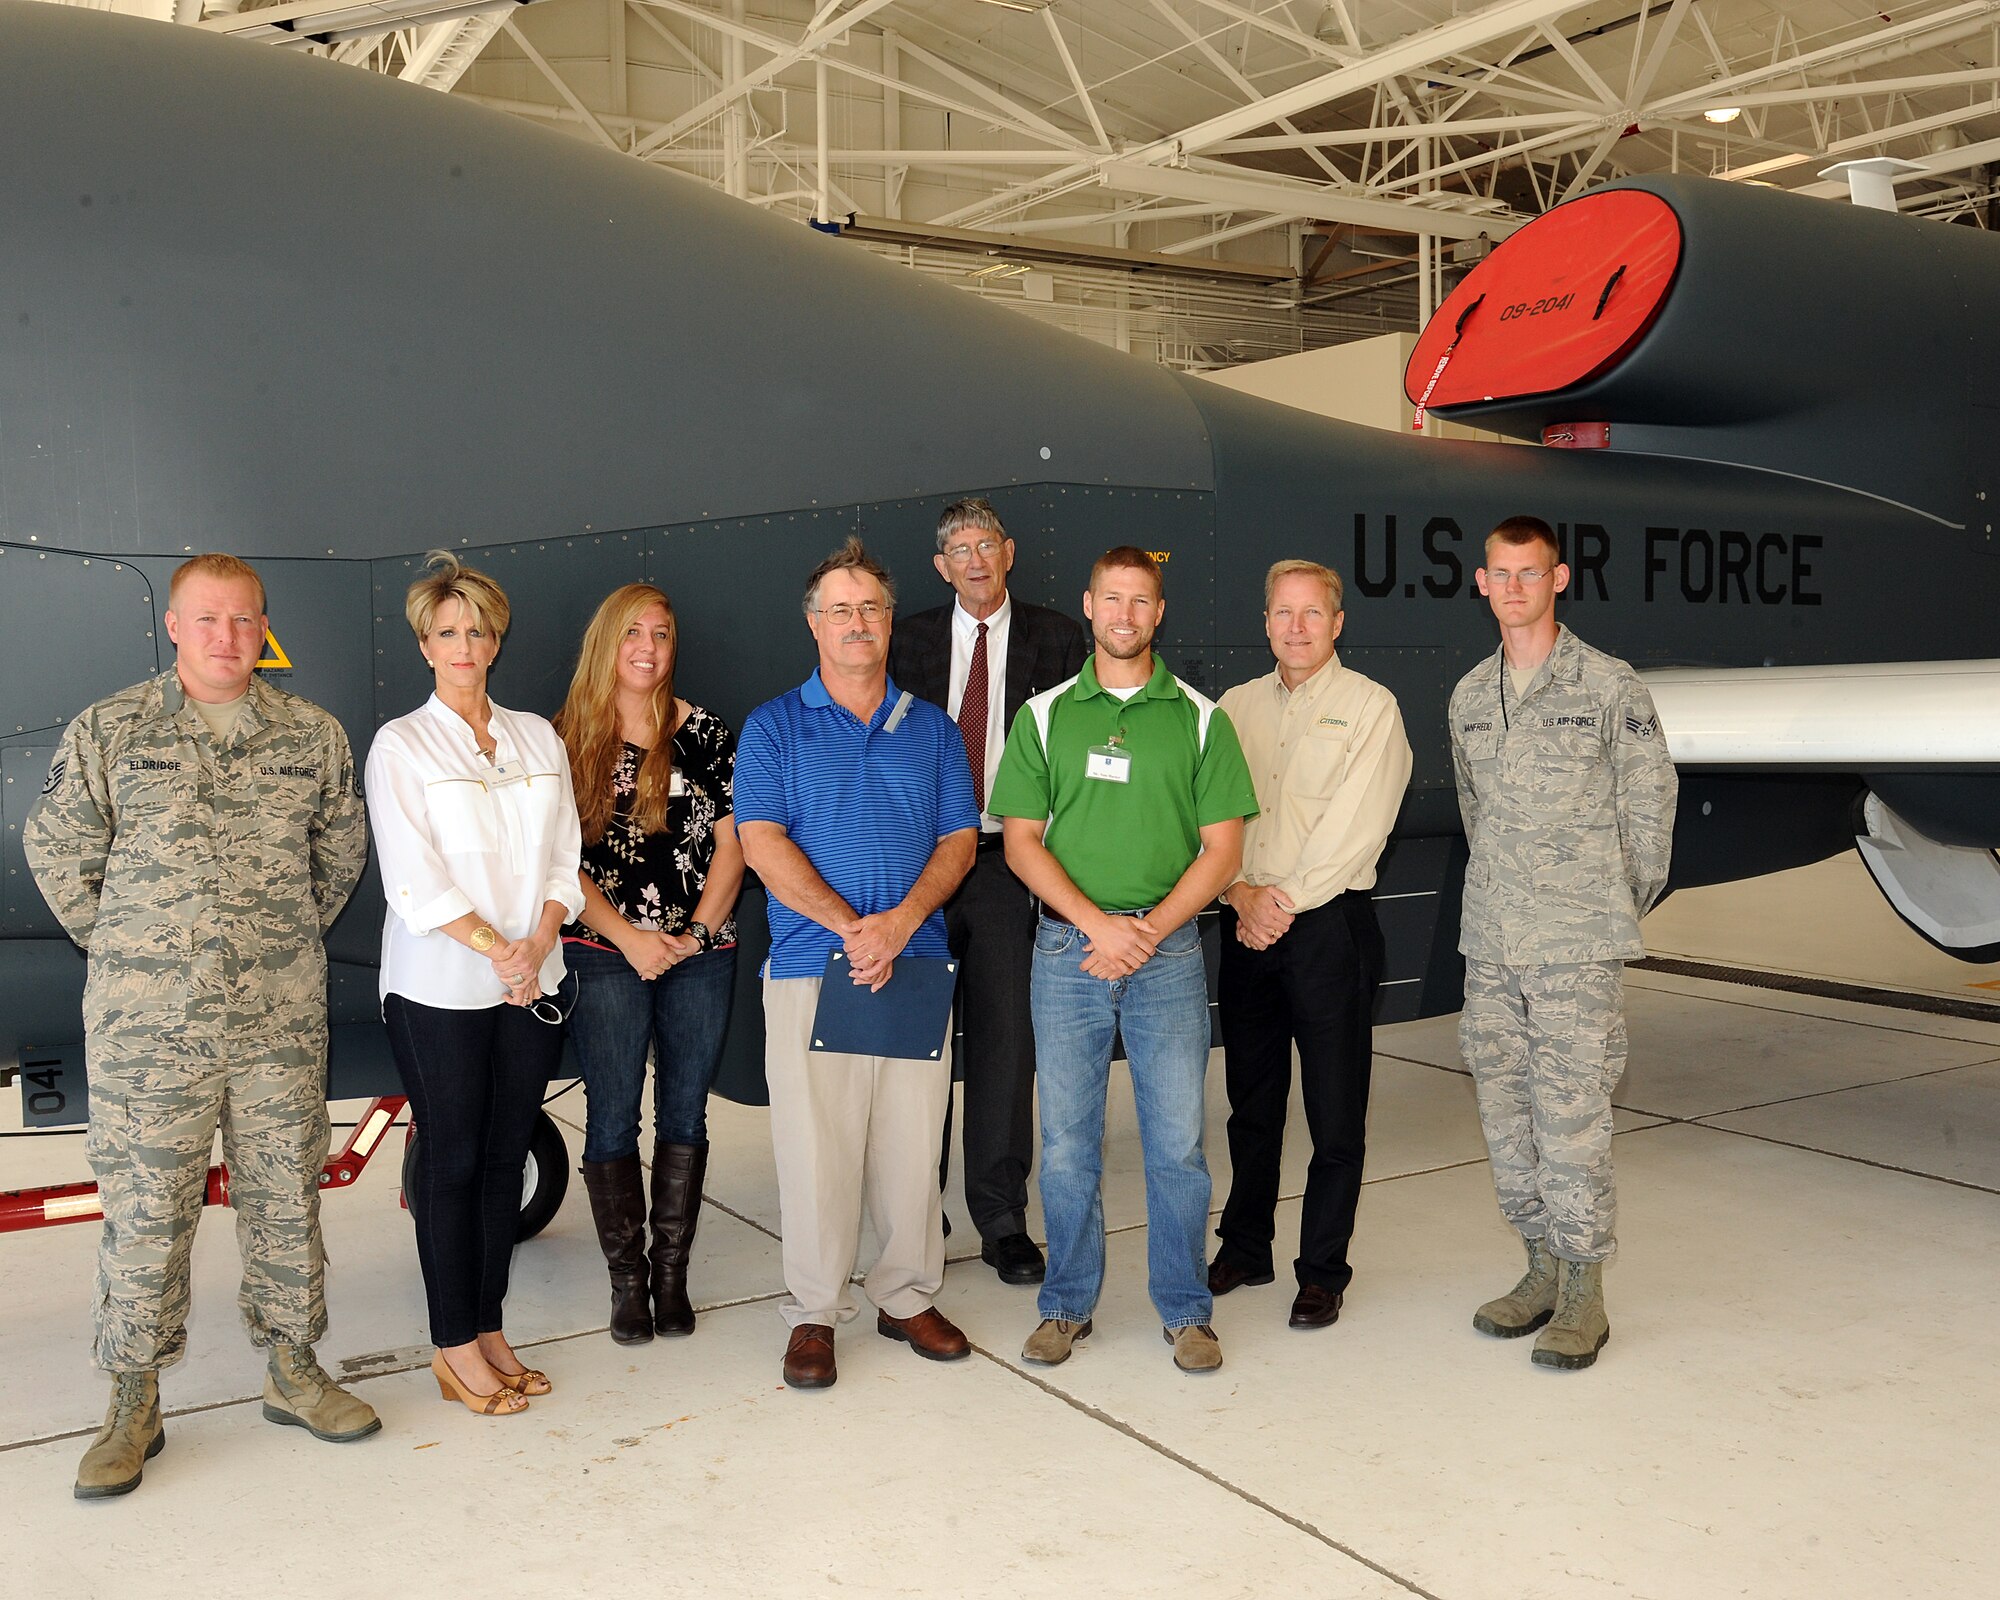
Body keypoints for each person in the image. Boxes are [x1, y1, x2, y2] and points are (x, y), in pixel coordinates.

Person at [25, 552, 375, 1499]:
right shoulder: (111, 729)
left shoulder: (312, 736)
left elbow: (340, 849)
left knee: (285, 1196)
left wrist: (277, 936)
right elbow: (56, 849)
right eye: (208, 620)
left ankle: (293, 1370)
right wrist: (134, 947)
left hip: (277, 1022)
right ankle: (133, 1402)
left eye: (245, 621)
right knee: (146, 1215)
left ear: (265, 630)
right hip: (149, 1029)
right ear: (173, 626)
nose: (228, 637)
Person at [989, 546, 1259, 1375]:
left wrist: (1146, 931)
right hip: (1069, 950)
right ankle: (1066, 1307)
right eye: (1113, 600)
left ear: (1159, 613)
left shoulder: (1203, 720)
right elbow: (1021, 843)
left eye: (1141, 601)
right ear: (1089, 606)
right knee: (1067, 1143)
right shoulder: (1041, 718)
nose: (1126, 615)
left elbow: (1223, 852)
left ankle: (1186, 1312)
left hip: (1169, 952)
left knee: (1176, 1142)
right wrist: (1098, 927)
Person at [734, 537, 980, 1390]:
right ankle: (812, 1311)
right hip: (811, 967)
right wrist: (850, 928)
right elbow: (761, 844)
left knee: (913, 1148)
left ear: (888, 623)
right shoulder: (773, 727)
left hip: (913, 965)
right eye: (839, 609)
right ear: (814, 625)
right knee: (817, 1150)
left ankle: (906, 1293)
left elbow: (957, 841)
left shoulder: (935, 730)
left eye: (870, 608)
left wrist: (900, 922)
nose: (856, 623)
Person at [1450, 515, 1677, 1371]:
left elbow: (1649, 817)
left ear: (1559, 579)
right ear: (1481, 583)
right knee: (1506, 1112)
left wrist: (1601, 905)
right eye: (1499, 574)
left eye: (1528, 573)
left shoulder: (1609, 687)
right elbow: (1478, 817)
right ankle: (1539, 1267)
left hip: (1575, 947)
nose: (1513, 587)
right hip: (1494, 942)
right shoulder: (1471, 695)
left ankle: (1585, 1289)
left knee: (1573, 1119)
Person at [364, 552, 585, 1415]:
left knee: (502, 1161)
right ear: (425, 644)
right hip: (439, 985)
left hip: (533, 975)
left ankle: (490, 1329)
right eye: (447, 631)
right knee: (451, 1162)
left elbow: (564, 851)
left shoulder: (537, 735)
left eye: (478, 629)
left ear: (497, 640)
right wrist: (503, 948)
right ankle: (453, 1348)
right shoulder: (402, 745)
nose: (465, 643)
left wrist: (539, 940)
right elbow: (412, 877)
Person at [888, 497, 1087, 1285]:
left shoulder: (1058, 639)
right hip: (925, 866)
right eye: (958, 550)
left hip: (1011, 861)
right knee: (916, 1045)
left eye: (986, 545)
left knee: (1007, 1043)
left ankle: (1001, 1217)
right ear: (942, 567)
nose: (975, 559)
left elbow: (1073, 757)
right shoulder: (908, 641)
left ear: (1009, 552)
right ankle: (915, 1211)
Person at [1211, 561, 1412, 1329]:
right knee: (1250, 1104)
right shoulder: (1232, 710)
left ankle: (1322, 1268)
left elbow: (1356, 826)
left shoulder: (1370, 709)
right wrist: (1238, 896)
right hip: (1246, 922)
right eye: (1282, 613)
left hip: (1328, 929)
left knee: (1335, 1114)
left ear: (1337, 623)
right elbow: (1211, 821)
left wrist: (1276, 902)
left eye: (1311, 614)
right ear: (1266, 622)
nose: (1296, 627)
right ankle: (1246, 1245)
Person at [555, 583, 743, 1344]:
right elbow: (557, 862)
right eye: (633, 633)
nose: (648, 647)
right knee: (610, 1116)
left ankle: (671, 1276)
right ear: (608, 642)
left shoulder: (706, 734)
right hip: (605, 953)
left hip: (702, 953)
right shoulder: (565, 739)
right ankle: (626, 1283)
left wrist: (696, 935)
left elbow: (738, 844)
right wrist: (631, 939)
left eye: (661, 634)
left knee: (687, 1113)